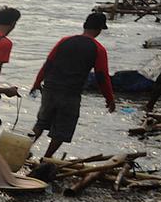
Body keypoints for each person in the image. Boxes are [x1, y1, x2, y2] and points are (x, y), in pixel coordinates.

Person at [28, 12, 117, 159]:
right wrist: (110, 99)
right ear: (100, 29)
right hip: (70, 93)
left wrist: (36, 83)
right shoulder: (98, 49)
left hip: (50, 88)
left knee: (41, 123)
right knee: (63, 130)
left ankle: (23, 150)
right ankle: (46, 158)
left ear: (84, 26)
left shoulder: (64, 41)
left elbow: (48, 64)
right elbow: (102, 76)